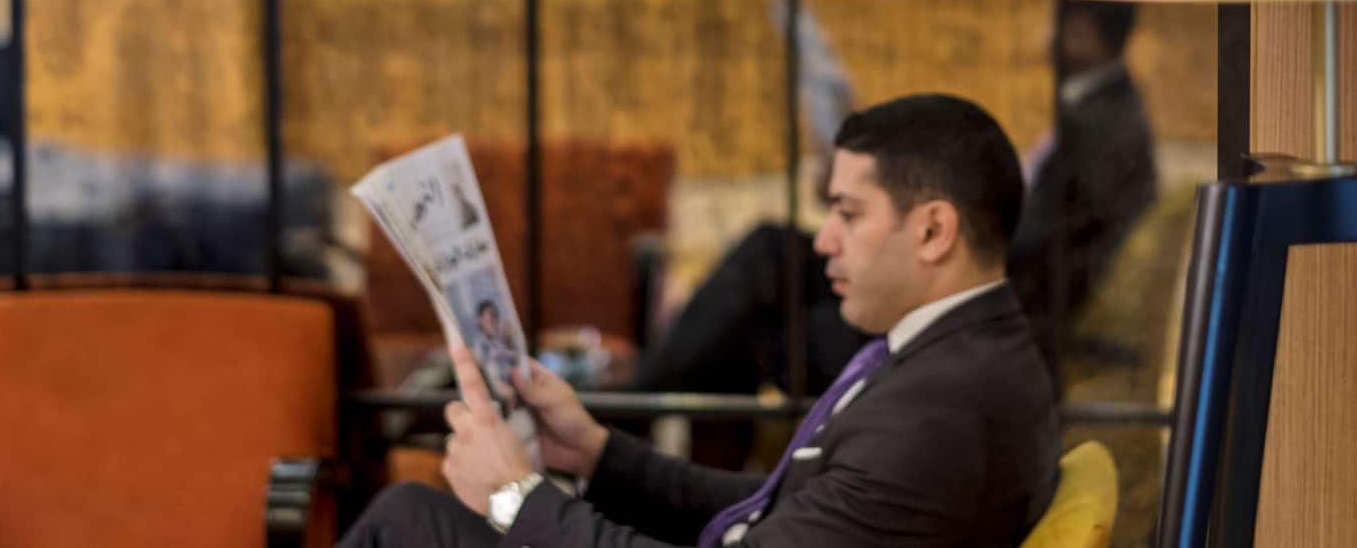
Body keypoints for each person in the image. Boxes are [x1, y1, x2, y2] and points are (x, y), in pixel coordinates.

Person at [338, 94, 1060, 548]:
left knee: (407, 519)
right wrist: (597, 453)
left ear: (934, 231)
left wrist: (511, 495)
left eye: (847, 212)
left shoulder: (936, 414)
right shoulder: (958, 353)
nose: (824, 239)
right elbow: (771, 509)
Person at [635, 0, 1157, 398]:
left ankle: (631, 408)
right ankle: (641, 417)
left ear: (1082, 32)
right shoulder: (1100, 113)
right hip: (952, 288)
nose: (1042, 40)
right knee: (772, 259)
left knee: (757, 303)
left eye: (1053, 26)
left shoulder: (1103, 128)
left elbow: (1017, 244)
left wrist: (913, 207)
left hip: (957, 311)